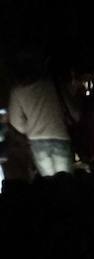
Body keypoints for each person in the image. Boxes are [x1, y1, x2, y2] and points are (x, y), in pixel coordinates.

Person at [8, 49, 76, 177]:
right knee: (66, 180)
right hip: (60, 135)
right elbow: (75, 112)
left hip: (37, 140)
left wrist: (31, 126)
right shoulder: (55, 84)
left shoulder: (18, 91)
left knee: (49, 181)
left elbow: (17, 123)